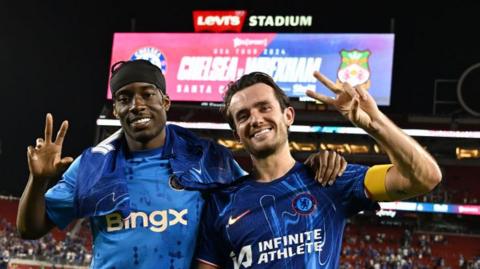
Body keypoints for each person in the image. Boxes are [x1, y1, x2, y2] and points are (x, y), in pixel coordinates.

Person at [16, 60, 346, 269]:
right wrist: (38, 180)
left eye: (148, 94)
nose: (137, 105)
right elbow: (30, 229)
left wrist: (308, 169)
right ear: (115, 109)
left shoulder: (207, 157)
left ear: (166, 102)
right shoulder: (93, 165)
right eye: (125, 98)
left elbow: (260, 190)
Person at [195, 71, 442, 269]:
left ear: (288, 115)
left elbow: (424, 178)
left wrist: (375, 122)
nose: (256, 119)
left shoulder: (330, 178)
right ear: (237, 134)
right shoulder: (221, 203)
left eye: (264, 107)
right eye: (243, 116)